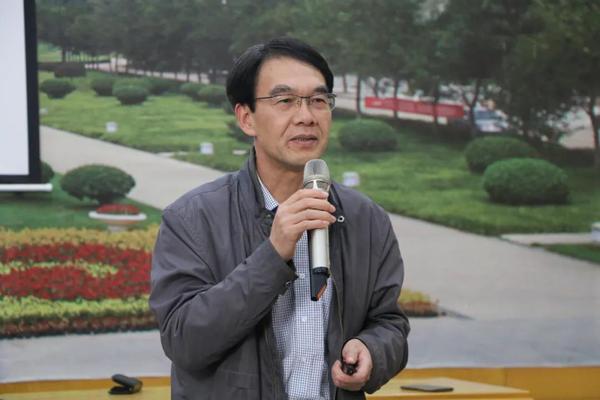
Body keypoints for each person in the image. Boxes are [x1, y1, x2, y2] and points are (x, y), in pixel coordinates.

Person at [150, 37, 410, 400]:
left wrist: (372, 350)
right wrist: (272, 255)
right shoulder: (192, 218)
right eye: (285, 101)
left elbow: (389, 323)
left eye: (318, 100)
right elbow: (184, 341)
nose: (306, 116)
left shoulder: (366, 219)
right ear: (247, 118)